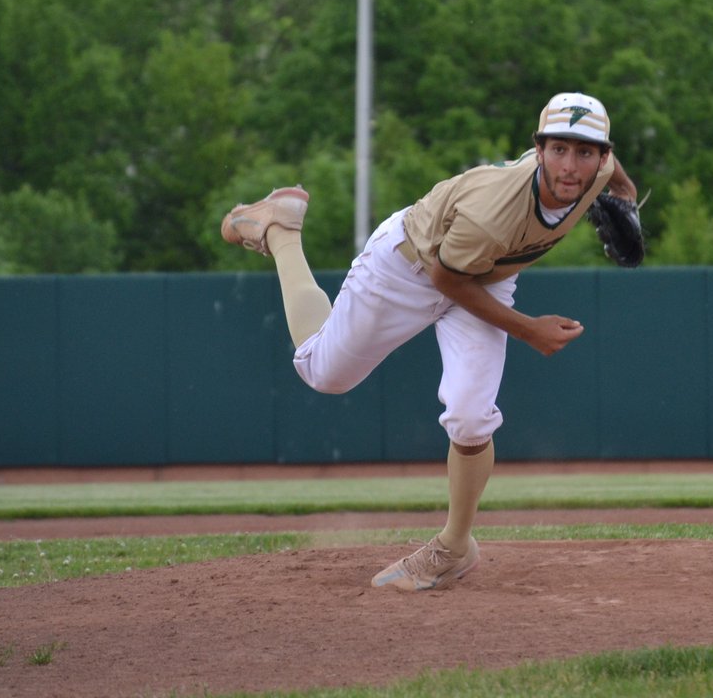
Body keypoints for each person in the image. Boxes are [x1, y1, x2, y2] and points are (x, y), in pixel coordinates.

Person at [220, 92, 637, 591]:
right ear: (539, 149)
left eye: (585, 152)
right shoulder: (494, 210)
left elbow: (616, 174)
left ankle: (453, 547)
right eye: (559, 150)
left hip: (483, 273)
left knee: (469, 415)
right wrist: (529, 329)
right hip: (411, 266)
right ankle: (282, 230)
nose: (571, 165)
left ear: (600, 154)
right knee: (321, 372)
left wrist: (628, 200)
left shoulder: (598, 171)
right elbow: (447, 280)